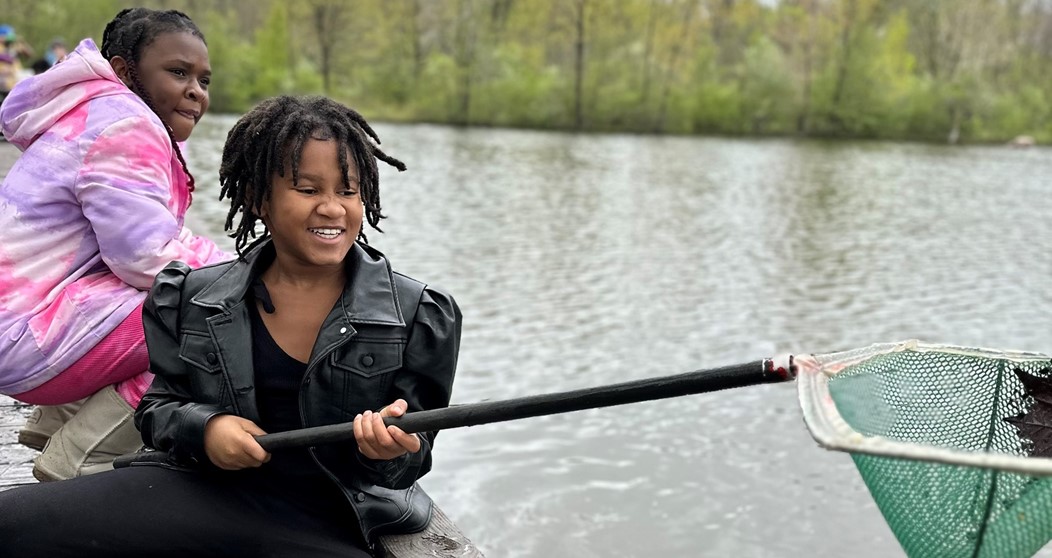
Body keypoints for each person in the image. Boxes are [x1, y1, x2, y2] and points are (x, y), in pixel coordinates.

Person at [0, 95, 462, 558]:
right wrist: (207, 428)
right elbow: (158, 409)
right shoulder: (194, 296)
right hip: (203, 492)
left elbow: (412, 459)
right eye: (307, 190)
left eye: (348, 191)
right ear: (258, 198)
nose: (332, 208)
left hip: (334, 517)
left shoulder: (418, 314)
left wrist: (389, 450)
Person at [0, 8, 228, 481]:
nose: (196, 91)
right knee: (212, 312)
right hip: (25, 338)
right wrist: (246, 270)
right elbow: (146, 256)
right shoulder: (127, 126)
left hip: (23, 323)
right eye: (178, 72)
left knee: (179, 292)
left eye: (204, 80)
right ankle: (83, 457)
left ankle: (58, 422)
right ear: (124, 71)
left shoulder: (96, 114)